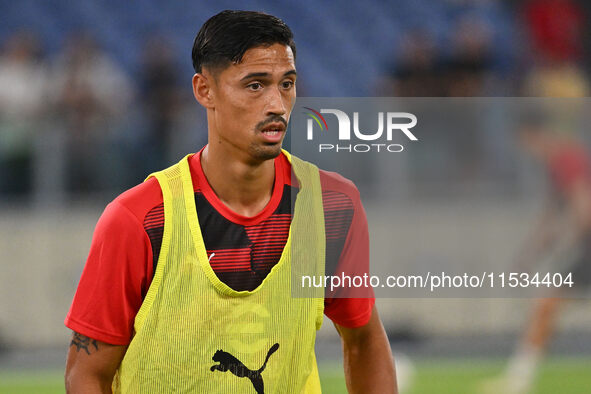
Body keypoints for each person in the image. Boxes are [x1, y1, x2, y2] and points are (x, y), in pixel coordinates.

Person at [64, 10, 396, 394]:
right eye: (255, 85)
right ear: (204, 90)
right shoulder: (139, 219)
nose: (277, 104)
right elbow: (86, 374)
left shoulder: (333, 207)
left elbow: (365, 340)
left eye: (286, 84)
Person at [482, 115, 591, 394]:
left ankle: (519, 380)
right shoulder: (560, 164)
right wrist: (529, 256)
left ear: (535, 135)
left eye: (526, 142)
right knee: (547, 304)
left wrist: (567, 243)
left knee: (546, 304)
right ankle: (519, 379)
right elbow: (551, 216)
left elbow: (583, 208)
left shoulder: (565, 159)